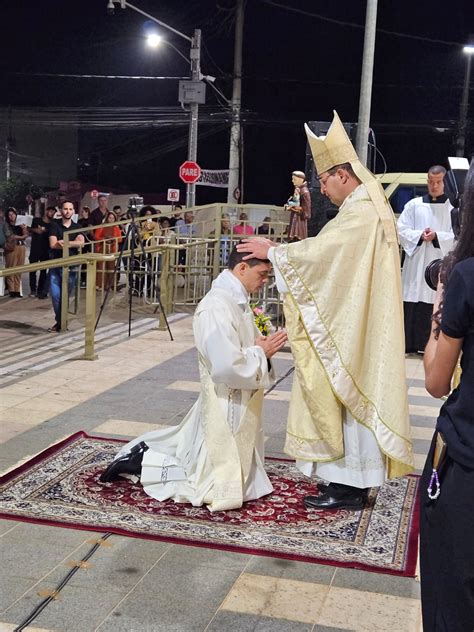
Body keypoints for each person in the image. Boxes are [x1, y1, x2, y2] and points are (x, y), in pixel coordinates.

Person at [237, 112, 413, 510]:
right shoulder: (366, 205)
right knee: (344, 390)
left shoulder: (362, 210)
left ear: (343, 174)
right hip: (356, 317)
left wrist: (276, 253)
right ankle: (342, 480)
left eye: (324, 180)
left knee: (345, 387)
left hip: (354, 327)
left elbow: (324, 257)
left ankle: (349, 486)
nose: (321, 189)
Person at [99, 245, 288, 511]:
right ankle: (143, 464)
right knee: (203, 478)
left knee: (200, 456)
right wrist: (261, 353)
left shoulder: (237, 300)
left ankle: (146, 458)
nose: (265, 281)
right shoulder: (215, 306)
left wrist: (258, 348)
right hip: (224, 396)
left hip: (236, 396)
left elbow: (237, 349)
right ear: (242, 268)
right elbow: (225, 365)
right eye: (263, 273)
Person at [420, 160, 474, 631]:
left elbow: (437, 381)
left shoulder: (467, 276)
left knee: (452, 597)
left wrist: (443, 293)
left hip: (467, 460)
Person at [397, 166, 454, 353]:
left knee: (433, 301)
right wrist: (419, 235)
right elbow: (401, 229)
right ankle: (409, 344)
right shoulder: (414, 205)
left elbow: (456, 237)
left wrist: (437, 236)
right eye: (430, 181)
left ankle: (428, 345)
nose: (434, 185)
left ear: (445, 182)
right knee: (412, 300)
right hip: (415, 263)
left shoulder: (452, 209)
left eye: (438, 182)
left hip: (438, 264)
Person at [48, 200, 85, 333]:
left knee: (65, 296)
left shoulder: (77, 226)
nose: (68, 211)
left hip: (71, 266)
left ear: (73, 211)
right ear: (61, 211)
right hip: (56, 264)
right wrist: (73, 242)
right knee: (56, 295)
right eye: (65, 209)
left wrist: (65, 242)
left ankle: (60, 323)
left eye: (70, 209)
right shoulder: (54, 225)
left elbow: (82, 243)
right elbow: (53, 244)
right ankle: (61, 322)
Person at [29, 206, 56, 298]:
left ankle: (41, 290)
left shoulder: (53, 223)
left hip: (46, 250)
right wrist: (36, 230)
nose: (52, 213)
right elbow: (30, 229)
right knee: (32, 270)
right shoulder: (37, 220)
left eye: (53, 212)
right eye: (51, 211)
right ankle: (33, 289)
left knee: (43, 271)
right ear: (46, 211)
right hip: (35, 249)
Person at [94, 210, 123, 290]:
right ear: (107, 218)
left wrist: (113, 239)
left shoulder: (116, 228)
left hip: (112, 249)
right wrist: (104, 239)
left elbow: (120, 239)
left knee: (111, 267)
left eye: (113, 218)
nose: (111, 219)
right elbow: (96, 237)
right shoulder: (101, 226)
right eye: (110, 218)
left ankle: (110, 285)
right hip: (102, 248)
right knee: (101, 266)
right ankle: (99, 285)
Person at [3, 207, 27, 298]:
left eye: (13, 214)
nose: (11, 216)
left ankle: (17, 290)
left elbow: (26, 234)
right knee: (11, 269)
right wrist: (22, 236)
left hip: (21, 247)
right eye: (9, 215)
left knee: (19, 269)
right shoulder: (6, 224)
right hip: (11, 247)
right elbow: (10, 236)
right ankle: (11, 290)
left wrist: (24, 228)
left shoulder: (20, 224)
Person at [284, 170, 311, 241]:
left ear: (301, 179)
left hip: (299, 222)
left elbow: (306, 211)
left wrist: (293, 208)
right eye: (292, 179)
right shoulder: (298, 190)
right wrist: (290, 206)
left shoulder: (304, 192)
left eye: (294, 179)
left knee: (297, 239)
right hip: (294, 219)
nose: (293, 181)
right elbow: (294, 202)